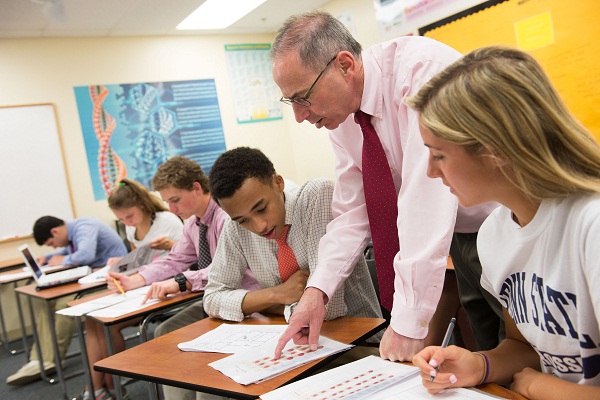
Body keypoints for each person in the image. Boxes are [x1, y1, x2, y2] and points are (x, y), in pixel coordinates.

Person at [270, 10, 500, 362]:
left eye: (303, 97)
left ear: (345, 65)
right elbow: (351, 213)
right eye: (291, 102)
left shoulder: (421, 73)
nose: (300, 116)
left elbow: (426, 200)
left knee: (525, 349)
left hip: (506, 219)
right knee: (487, 347)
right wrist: (317, 291)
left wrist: (407, 324)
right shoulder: (344, 118)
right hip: (461, 231)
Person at [408, 46, 600, 400]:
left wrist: (546, 388)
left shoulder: (590, 223)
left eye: (439, 155)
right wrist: (479, 365)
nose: (431, 172)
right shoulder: (494, 235)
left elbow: (543, 377)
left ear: (494, 149)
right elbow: (523, 346)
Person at [105, 156, 258, 400]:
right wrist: (137, 279)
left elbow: (228, 269)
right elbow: (174, 259)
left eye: (175, 200)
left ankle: (205, 386)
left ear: (197, 188)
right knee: (166, 332)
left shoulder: (225, 215)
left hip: (243, 299)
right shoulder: (193, 224)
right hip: (214, 300)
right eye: (167, 202)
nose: (171, 209)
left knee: (186, 340)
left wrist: (183, 281)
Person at [78, 177, 184, 400]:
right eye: (122, 219)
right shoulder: (131, 230)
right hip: (141, 285)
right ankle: (96, 389)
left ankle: (109, 389)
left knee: (107, 324)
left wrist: (169, 245)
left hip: (168, 287)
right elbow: (140, 260)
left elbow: (189, 256)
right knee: (93, 320)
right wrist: (122, 262)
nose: (127, 222)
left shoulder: (168, 221)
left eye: (130, 216)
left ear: (143, 205)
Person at [7, 216, 127, 386]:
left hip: (112, 279)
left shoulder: (85, 226)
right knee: (46, 302)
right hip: (94, 277)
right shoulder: (72, 233)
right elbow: (65, 251)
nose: (55, 246)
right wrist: (48, 257)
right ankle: (40, 358)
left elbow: (85, 255)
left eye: (51, 243)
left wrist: (62, 260)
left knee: (64, 305)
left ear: (55, 231)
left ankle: (53, 358)